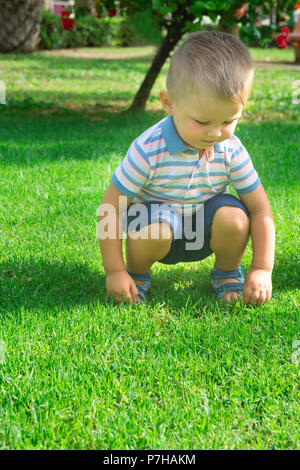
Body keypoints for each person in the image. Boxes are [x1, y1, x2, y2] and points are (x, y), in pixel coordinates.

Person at [97, 31, 275, 306]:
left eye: (229, 120)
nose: (215, 133)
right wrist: (114, 271)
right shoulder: (148, 149)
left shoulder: (231, 150)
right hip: (155, 227)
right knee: (156, 228)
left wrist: (262, 269)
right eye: (202, 121)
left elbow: (260, 209)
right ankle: (137, 275)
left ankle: (227, 273)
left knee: (235, 218)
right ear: (169, 103)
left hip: (203, 228)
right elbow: (111, 208)